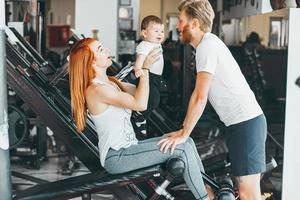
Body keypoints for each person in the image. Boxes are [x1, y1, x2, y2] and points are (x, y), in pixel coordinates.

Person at [69, 38, 212, 200]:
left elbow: (144, 94)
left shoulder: (112, 82)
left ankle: (208, 189)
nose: (107, 50)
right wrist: (143, 69)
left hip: (130, 148)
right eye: (101, 49)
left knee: (186, 141)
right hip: (117, 157)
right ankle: (205, 198)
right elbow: (140, 103)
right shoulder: (96, 89)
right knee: (182, 149)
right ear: (90, 62)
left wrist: (145, 64)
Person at [158, 1, 267, 200]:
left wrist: (185, 134)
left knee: (248, 194)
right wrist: (184, 130)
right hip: (240, 124)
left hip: (245, 123)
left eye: (181, 21)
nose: (177, 26)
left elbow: (200, 96)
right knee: (246, 192)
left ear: (195, 23)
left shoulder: (207, 47)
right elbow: (198, 96)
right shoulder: (207, 44)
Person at [131, 15, 165, 137]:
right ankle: (138, 115)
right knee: (153, 99)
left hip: (156, 77)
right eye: (156, 31)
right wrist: (138, 69)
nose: (160, 33)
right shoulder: (145, 45)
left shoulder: (156, 44)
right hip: (147, 76)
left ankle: (142, 118)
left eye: (162, 31)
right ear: (145, 33)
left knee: (154, 99)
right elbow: (140, 58)